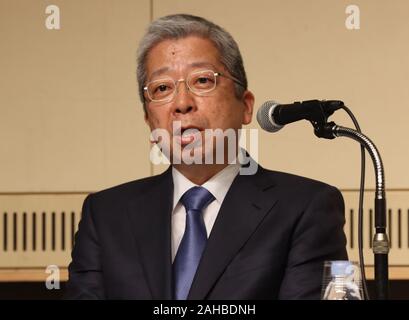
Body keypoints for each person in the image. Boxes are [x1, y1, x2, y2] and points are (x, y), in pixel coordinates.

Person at [65, 14, 347, 300]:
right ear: (149, 120)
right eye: (162, 88)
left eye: (202, 80)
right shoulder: (105, 216)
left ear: (246, 106)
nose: (182, 103)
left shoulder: (305, 208)